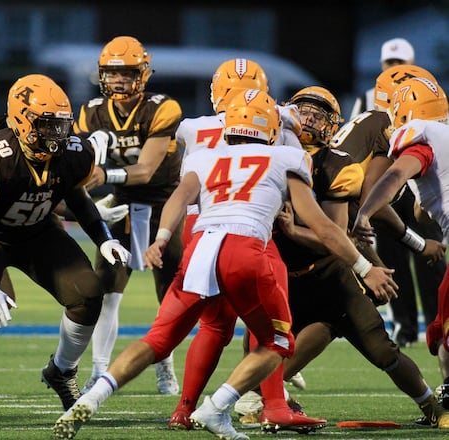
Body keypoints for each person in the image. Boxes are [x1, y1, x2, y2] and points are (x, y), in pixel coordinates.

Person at [52, 89, 398, 440]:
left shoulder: (205, 157)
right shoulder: (286, 157)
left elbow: (179, 198)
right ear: (271, 126)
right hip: (245, 247)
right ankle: (216, 407)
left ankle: (96, 397)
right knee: (278, 341)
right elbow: (324, 228)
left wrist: (161, 237)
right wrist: (364, 268)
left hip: (200, 246)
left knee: (159, 338)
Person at [0, 73, 131, 429]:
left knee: (88, 294)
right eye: (47, 125)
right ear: (21, 119)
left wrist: (103, 238)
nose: (57, 135)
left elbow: (77, 198)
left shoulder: (72, 152)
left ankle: (61, 372)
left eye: (61, 125)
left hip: (38, 232)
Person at [259, 85, 447, 429]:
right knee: (264, 338)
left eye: (319, 114)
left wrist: (369, 264)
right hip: (284, 272)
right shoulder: (269, 155)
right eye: (304, 111)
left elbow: (335, 233)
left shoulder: (337, 164)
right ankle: (252, 399)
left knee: (382, 350)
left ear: (332, 124)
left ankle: (435, 408)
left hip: (331, 272)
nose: (310, 118)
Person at [168, 59, 321, 434]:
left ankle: (184, 409)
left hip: (196, 225)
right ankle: (273, 404)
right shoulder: (279, 124)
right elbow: (296, 143)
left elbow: (181, 171)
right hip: (244, 228)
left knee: (215, 325)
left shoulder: (192, 127)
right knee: (271, 317)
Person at [74, 35, 183, 395]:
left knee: (169, 294)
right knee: (108, 289)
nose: (119, 81)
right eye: (112, 73)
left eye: (127, 73)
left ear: (144, 74)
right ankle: (100, 370)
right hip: (120, 205)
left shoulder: (162, 108)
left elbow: (147, 170)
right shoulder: (91, 112)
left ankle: (164, 363)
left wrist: (103, 176)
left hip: (165, 205)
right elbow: (82, 171)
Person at [354, 76, 449, 428]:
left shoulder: (421, 139)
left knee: (445, 336)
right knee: (439, 329)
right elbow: (426, 209)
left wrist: (364, 211)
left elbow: (394, 176)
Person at [350, 37, 443, 347]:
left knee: (429, 263)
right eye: (391, 64)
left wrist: (365, 211)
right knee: (395, 260)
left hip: (399, 191)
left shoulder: (423, 110)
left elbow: (390, 176)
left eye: (400, 63)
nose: (396, 70)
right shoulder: (374, 108)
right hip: (375, 194)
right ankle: (410, 327)